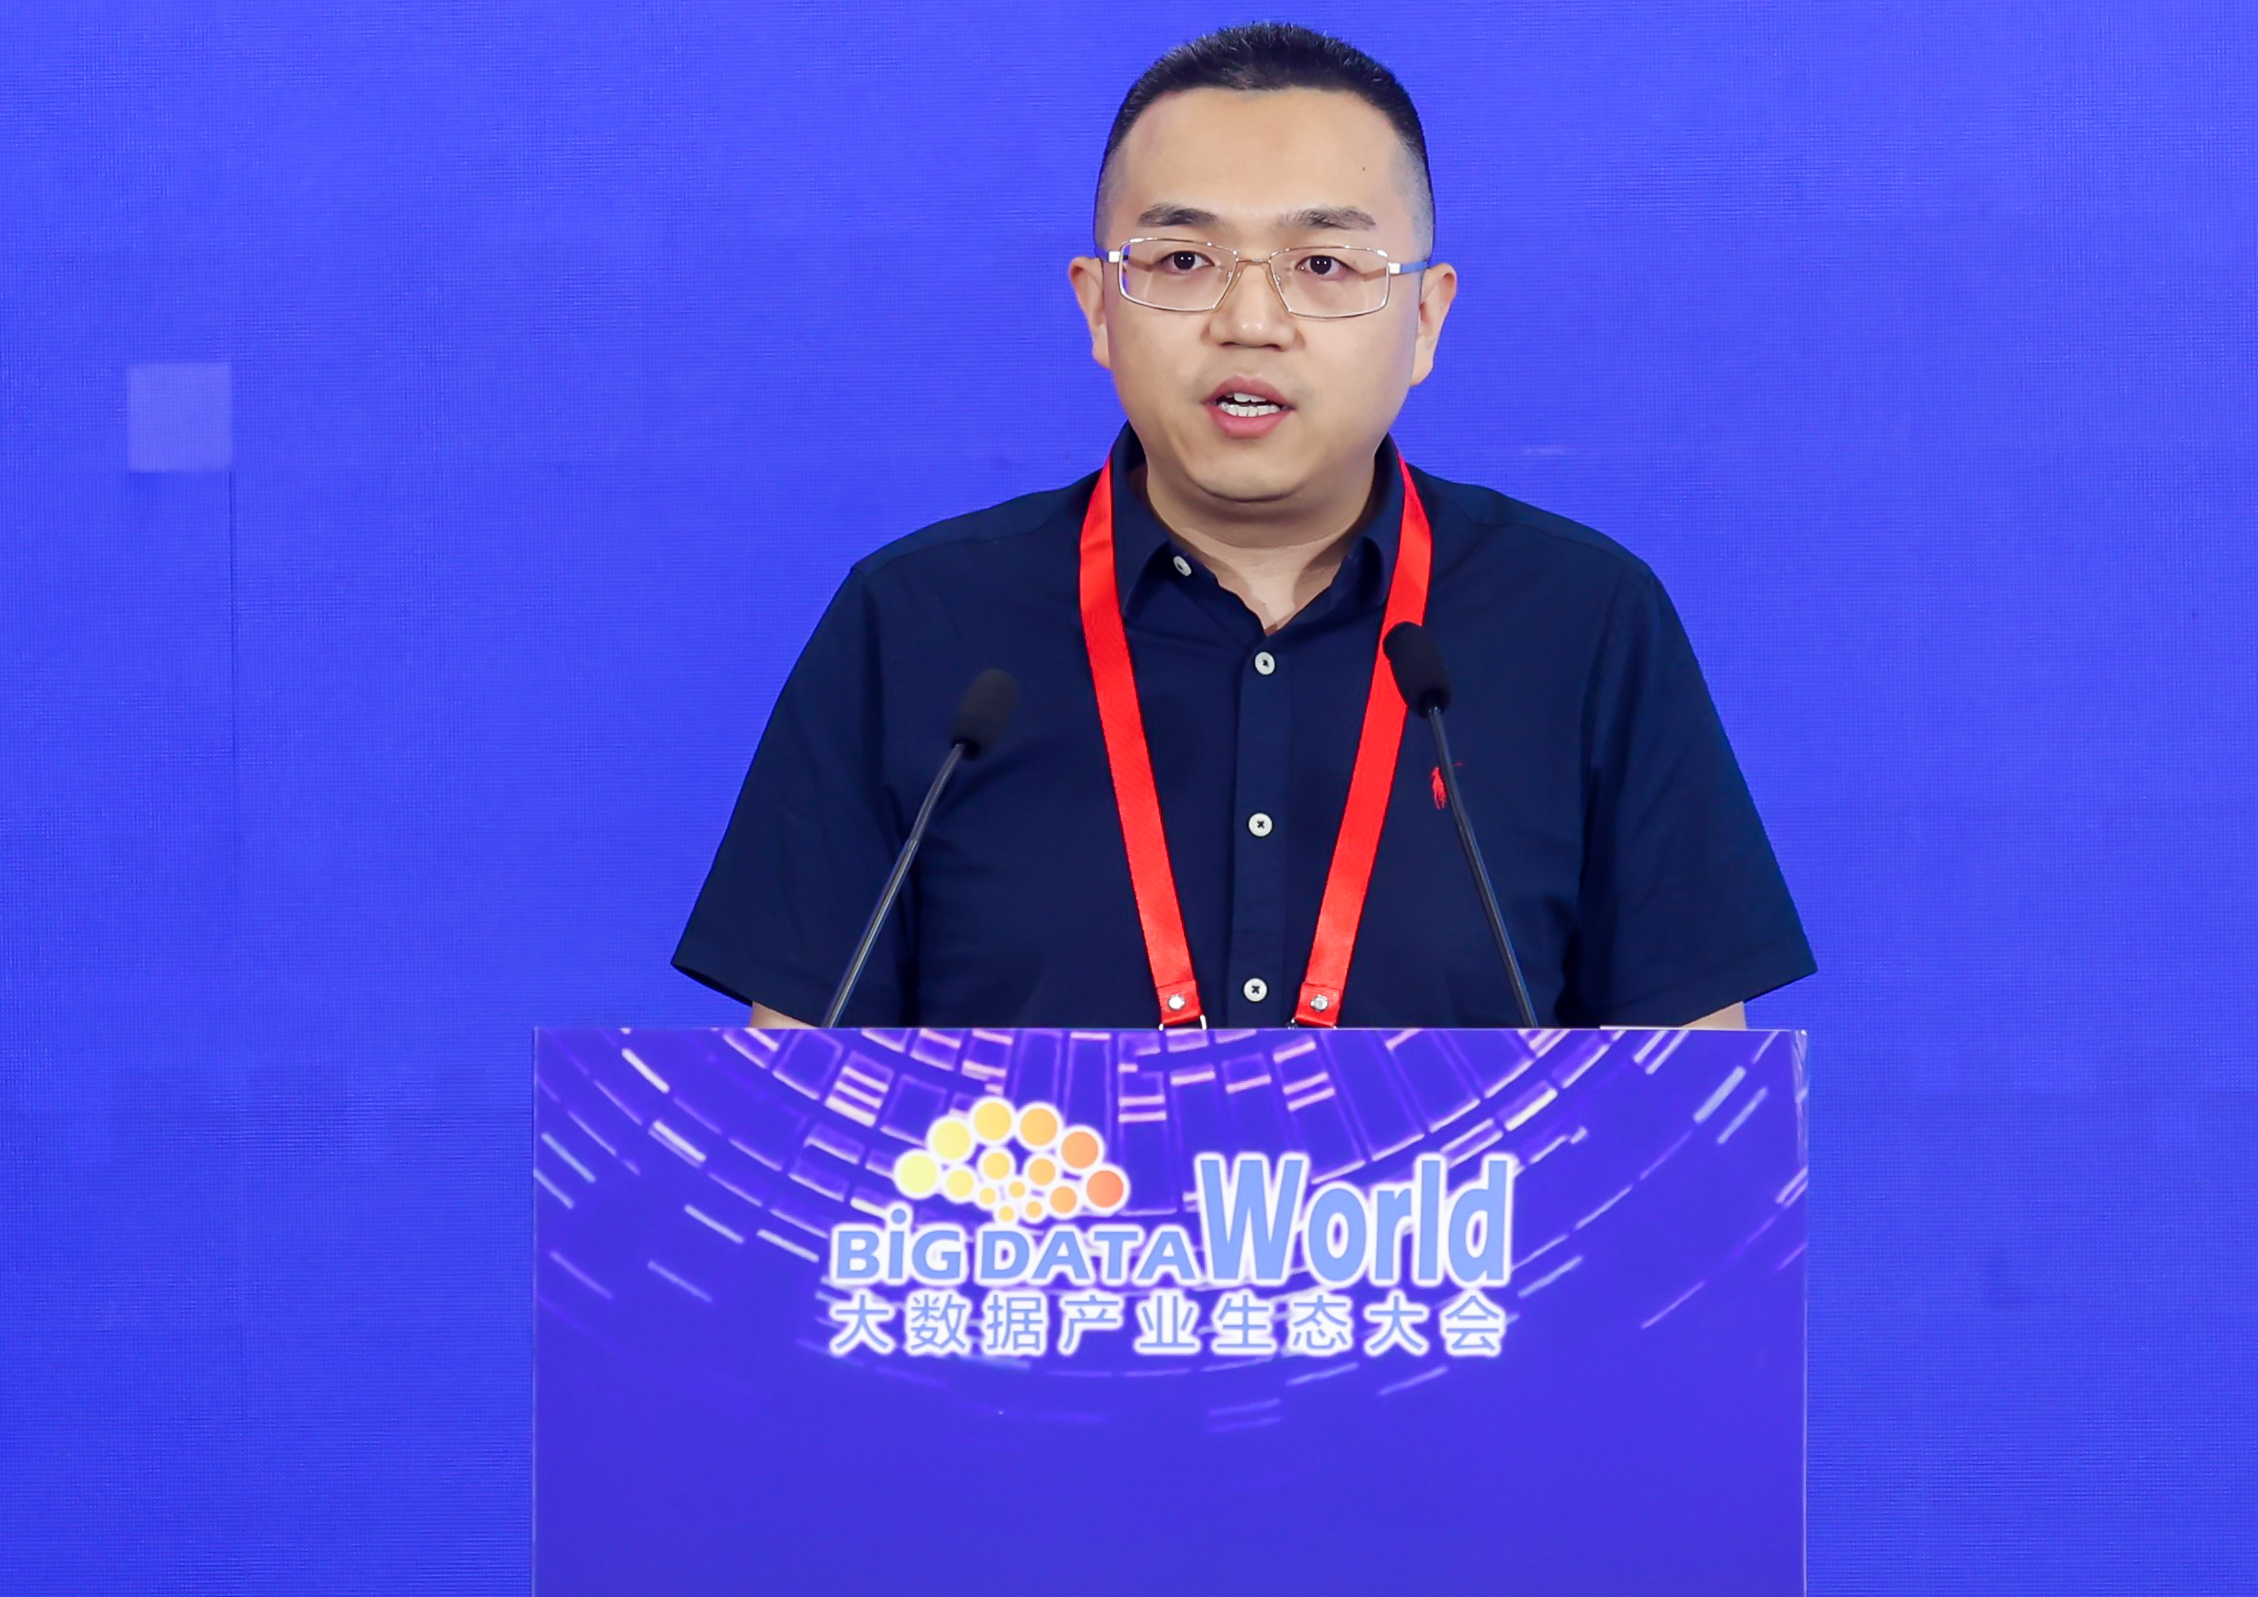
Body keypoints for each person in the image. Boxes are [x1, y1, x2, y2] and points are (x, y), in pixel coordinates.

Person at [675, 23, 1813, 1031]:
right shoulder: (915, 625)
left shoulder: (1583, 623)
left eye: (1323, 263)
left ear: (1425, 318)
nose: (1251, 319)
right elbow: (793, 1119)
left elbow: (1690, 1128)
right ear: (1097, 307)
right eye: (1182, 260)